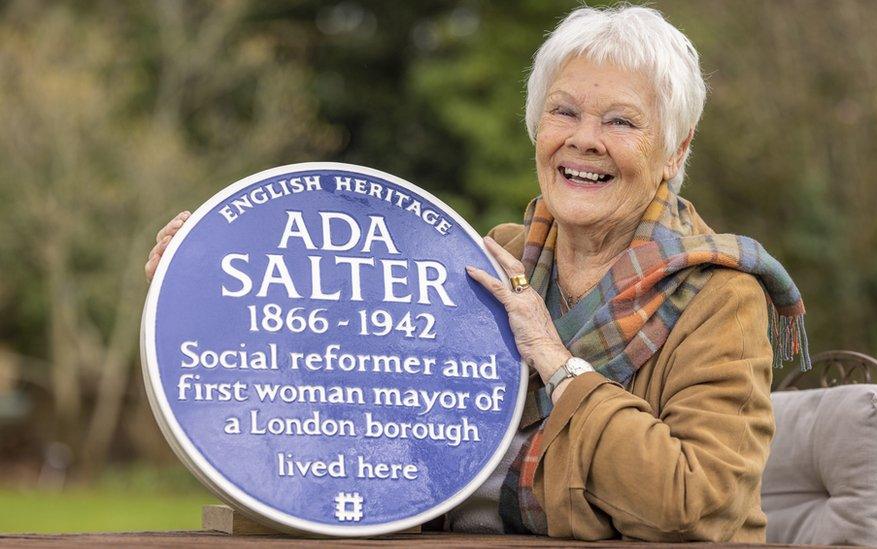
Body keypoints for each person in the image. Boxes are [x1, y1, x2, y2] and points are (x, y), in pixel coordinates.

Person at [146, 5, 809, 542]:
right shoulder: (492, 257)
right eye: (564, 111)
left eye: (621, 121)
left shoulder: (721, 297)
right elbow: (361, 401)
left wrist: (553, 358)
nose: (583, 138)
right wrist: (201, 285)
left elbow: (693, 503)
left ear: (674, 148)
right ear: (536, 126)